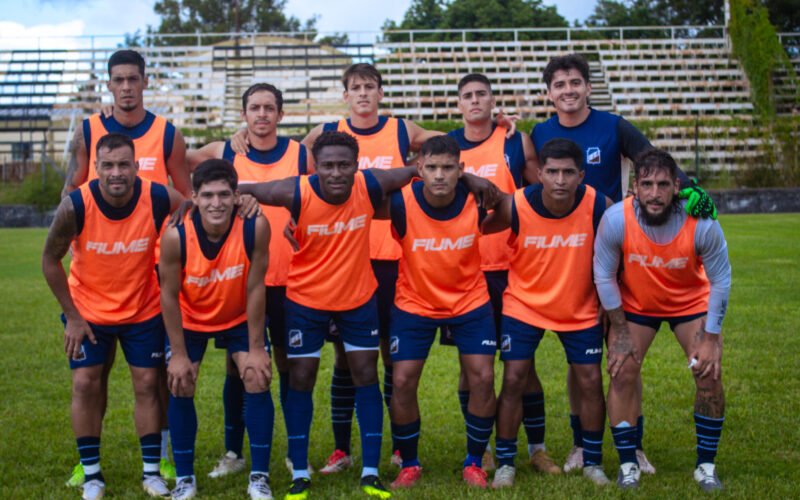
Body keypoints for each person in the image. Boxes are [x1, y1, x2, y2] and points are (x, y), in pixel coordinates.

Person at [237, 131, 498, 499]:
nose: (336, 172)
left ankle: (374, 471)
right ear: (315, 167)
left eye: (344, 165)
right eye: (328, 165)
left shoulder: (369, 184)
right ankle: (301, 470)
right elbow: (240, 188)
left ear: (357, 167)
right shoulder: (295, 190)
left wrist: (467, 178)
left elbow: (417, 171)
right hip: (306, 300)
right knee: (301, 378)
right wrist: (202, 200)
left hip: (359, 299)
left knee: (368, 375)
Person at [531, 53, 716, 473]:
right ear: (549, 93)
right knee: (581, 358)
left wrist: (689, 189)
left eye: (575, 82)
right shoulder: (540, 132)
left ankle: (635, 445)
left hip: (615, 253)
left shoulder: (613, 126)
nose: (568, 91)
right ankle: (582, 443)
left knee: (622, 357)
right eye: (559, 85)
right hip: (568, 254)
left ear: (588, 87)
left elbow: (653, 162)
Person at [61, 49, 189, 486]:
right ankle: (87, 462)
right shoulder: (88, 130)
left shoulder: (167, 134)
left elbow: (186, 201)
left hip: (149, 277)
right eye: (119, 80)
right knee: (91, 377)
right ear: (109, 84)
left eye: (134, 79)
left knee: (151, 378)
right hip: (98, 273)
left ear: (145, 81)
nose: (127, 87)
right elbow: (71, 189)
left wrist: (175, 254)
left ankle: (161, 458)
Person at [42, 133, 184, 500]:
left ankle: (152, 472)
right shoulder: (76, 204)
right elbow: (50, 260)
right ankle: (92, 475)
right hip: (88, 312)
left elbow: (193, 212)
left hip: (143, 309)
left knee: (147, 383)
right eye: (107, 165)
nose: (116, 172)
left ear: (136, 166)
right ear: (96, 168)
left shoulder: (158, 196)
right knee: (85, 383)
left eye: (123, 164)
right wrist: (72, 317)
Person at [187, 82, 311, 479]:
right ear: (243, 114)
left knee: (289, 365)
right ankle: (233, 451)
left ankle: (295, 452)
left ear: (281, 114)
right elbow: (177, 158)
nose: (261, 114)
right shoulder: (226, 151)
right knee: (236, 366)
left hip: (292, 278)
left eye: (269, 108)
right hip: (240, 280)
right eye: (254, 108)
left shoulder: (300, 154)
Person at [444, 73, 562, 474]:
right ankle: (481, 449)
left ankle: (537, 449)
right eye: (467, 95)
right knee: (471, 369)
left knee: (522, 366)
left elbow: (541, 191)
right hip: (464, 272)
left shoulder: (516, 141)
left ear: (494, 100)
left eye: (482, 94)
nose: (475, 100)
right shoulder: (446, 145)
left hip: (513, 269)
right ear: (458, 104)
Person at [593, 149, 730, 490]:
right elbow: (604, 275)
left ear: (676, 187)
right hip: (638, 305)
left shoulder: (702, 221)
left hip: (690, 303)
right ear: (634, 187)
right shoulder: (616, 219)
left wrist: (711, 338)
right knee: (622, 371)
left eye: (663, 185)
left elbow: (721, 280)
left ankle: (706, 466)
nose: (655, 193)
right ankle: (628, 464)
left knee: (708, 373)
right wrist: (620, 330)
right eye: (647, 184)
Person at [481, 138, 612, 488]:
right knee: (513, 378)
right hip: (524, 305)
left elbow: (622, 246)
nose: (560, 180)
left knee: (590, 380)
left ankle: (592, 461)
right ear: (539, 173)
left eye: (568, 173)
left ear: (581, 175)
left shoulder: (599, 205)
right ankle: (506, 462)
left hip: (579, 307)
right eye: (552, 172)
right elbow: (475, 227)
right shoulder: (517, 205)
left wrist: (611, 298)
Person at [387, 136, 498, 489]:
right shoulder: (400, 202)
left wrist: (479, 183)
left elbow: (514, 207)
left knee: (483, 377)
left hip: (469, 301)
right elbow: (354, 198)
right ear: (419, 168)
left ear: (461, 170)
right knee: (402, 381)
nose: (439, 175)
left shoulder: (478, 200)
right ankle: (409, 463)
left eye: (448, 168)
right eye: (432, 167)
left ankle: (474, 461)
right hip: (414, 302)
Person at [158, 159, 274, 500]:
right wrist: (178, 355)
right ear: (193, 197)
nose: (216, 203)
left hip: (237, 315)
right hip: (191, 319)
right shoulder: (176, 235)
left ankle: (259, 477)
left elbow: (256, 287)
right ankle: (185, 479)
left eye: (224, 194)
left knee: (257, 375)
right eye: (207, 195)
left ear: (237, 196)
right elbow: (168, 295)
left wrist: (257, 349)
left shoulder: (255, 226)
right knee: (180, 381)